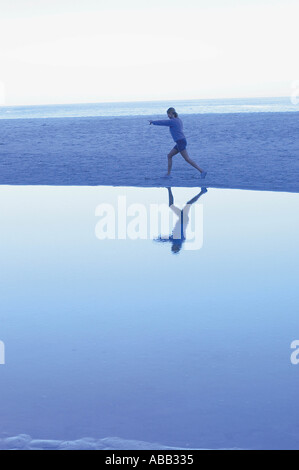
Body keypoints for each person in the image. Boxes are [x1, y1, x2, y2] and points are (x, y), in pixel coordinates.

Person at [149, 107, 207, 178]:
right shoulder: (179, 120)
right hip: (181, 141)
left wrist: (153, 122)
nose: (167, 116)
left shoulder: (173, 121)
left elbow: (163, 122)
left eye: (168, 114)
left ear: (171, 113)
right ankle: (168, 174)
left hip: (180, 142)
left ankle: (202, 171)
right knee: (169, 155)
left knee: (187, 159)